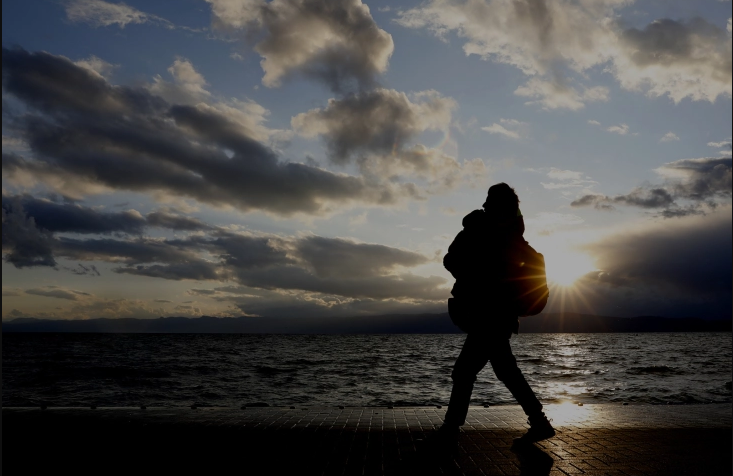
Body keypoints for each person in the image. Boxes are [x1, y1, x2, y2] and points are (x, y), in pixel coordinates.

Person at [440, 183, 555, 444]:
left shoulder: (486, 234)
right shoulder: (513, 239)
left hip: (488, 315)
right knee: (505, 371)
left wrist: (472, 270)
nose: (486, 206)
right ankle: (539, 421)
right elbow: (454, 262)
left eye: (490, 203)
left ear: (494, 205)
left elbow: (452, 261)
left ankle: (450, 430)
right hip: (498, 316)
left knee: (465, 372)